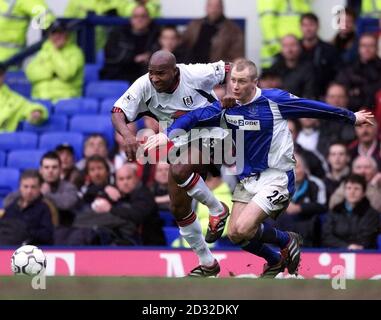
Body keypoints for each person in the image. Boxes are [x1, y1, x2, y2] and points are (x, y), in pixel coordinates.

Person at [144, 58, 374, 277]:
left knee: (244, 228)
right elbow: (193, 117)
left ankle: (286, 240)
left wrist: (351, 117)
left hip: (277, 176)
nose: (235, 86)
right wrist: (167, 135)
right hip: (248, 180)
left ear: (255, 82)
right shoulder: (226, 108)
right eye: (232, 80)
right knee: (235, 234)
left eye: (242, 81)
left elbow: (312, 108)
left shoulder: (275, 100)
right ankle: (274, 260)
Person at [111, 50, 232, 277]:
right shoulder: (143, 86)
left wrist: (231, 93)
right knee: (178, 207)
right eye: (151, 73)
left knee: (179, 169)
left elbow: (230, 68)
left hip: (216, 132)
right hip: (179, 142)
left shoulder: (194, 74)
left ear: (174, 72)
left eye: (160, 73)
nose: (154, 78)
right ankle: (208, 263)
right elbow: (117, 111)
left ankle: (218, 209)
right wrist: (128, 136)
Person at [25, 20, 85, 102]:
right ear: (49, 35)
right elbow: (31, 74)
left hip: (65, 101)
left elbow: (66, 74)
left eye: (60, 33)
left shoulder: (75, 52)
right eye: (54, 33)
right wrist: (52, 73)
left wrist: (54, 51)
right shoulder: (44, 50)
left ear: (67, 34)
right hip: (40, 99)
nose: (57, 36)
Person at [322, 174, 380, 250]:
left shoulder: (372, 214)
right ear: (344, 191)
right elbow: (326, 236)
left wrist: (352, 247)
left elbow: (368, 238)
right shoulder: (335, 211)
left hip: (364, 254)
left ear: (363, 193)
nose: (352, 192)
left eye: (356, 189)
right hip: (336, 253)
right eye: (349, 188)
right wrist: (346, 246)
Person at [0, 170, 56, 245]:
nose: (29, 191)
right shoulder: (12, 206)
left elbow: (47, 235)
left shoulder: (45, 208)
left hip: (31, 250)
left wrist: (26, 231)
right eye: (26, 186)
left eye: (33, 187)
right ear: (20, 188)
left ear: (39, 188)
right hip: (6, 247)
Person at [0, 64, 48, 132]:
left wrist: (37, 111)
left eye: (0, 74)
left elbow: (32, 107)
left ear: (3, 76)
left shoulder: (15, 99)